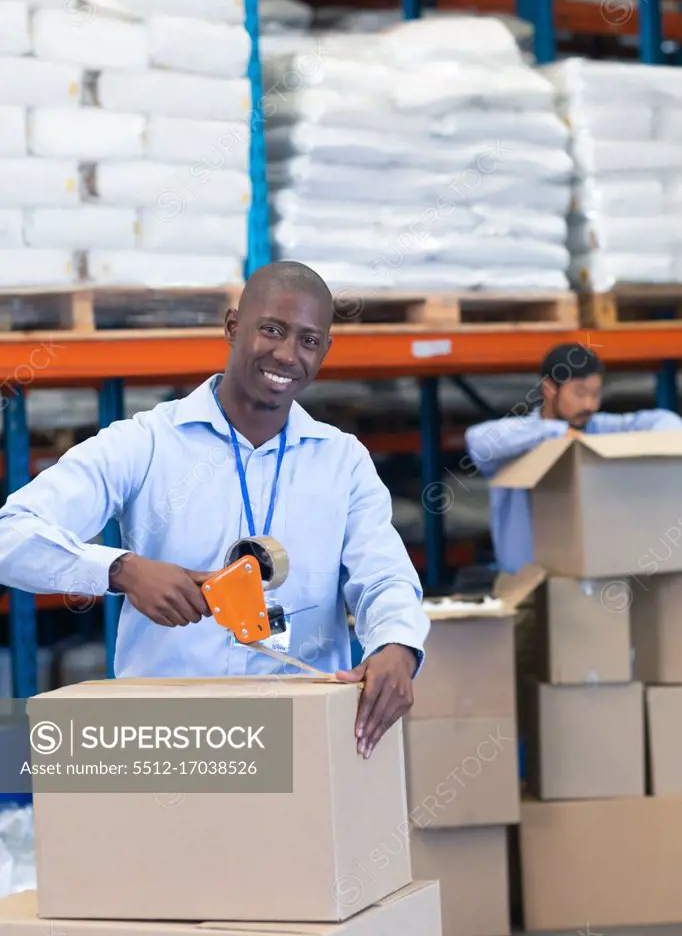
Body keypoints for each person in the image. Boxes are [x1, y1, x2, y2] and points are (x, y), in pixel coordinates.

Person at [0, 262, 429, 759]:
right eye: (272, 330)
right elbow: (10, 535)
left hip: (297, 743)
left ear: (325, 351)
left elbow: (384, 578)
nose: (287, 355)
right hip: (170, 744)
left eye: (309, 341)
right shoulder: (147, 443)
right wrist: (121, 569)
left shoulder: (342, 462)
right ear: (232, 326)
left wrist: (397, 645)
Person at [464, 342, 682, 574]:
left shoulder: (599, 428)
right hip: (525, 584)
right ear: (549, 389)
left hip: (593, 579)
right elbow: (477, 440)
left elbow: (666, 423)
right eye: (579, 393)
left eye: (595, 394)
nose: (589, 404)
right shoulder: (518, 439)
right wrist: (557, 432)